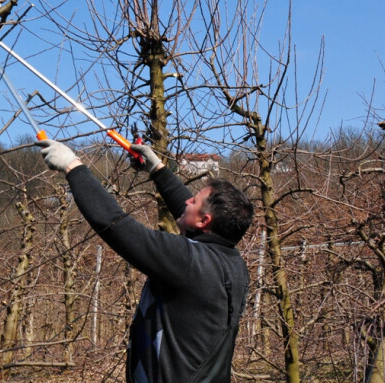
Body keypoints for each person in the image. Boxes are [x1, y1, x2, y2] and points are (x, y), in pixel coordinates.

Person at [36, 139, 254, 382]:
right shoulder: (233, 265)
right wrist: (157, 170)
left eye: (194, 201)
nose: (187, 201)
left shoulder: (187, 261)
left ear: (204, 221)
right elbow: (193, 220)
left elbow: (115, 224)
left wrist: (72, 167)